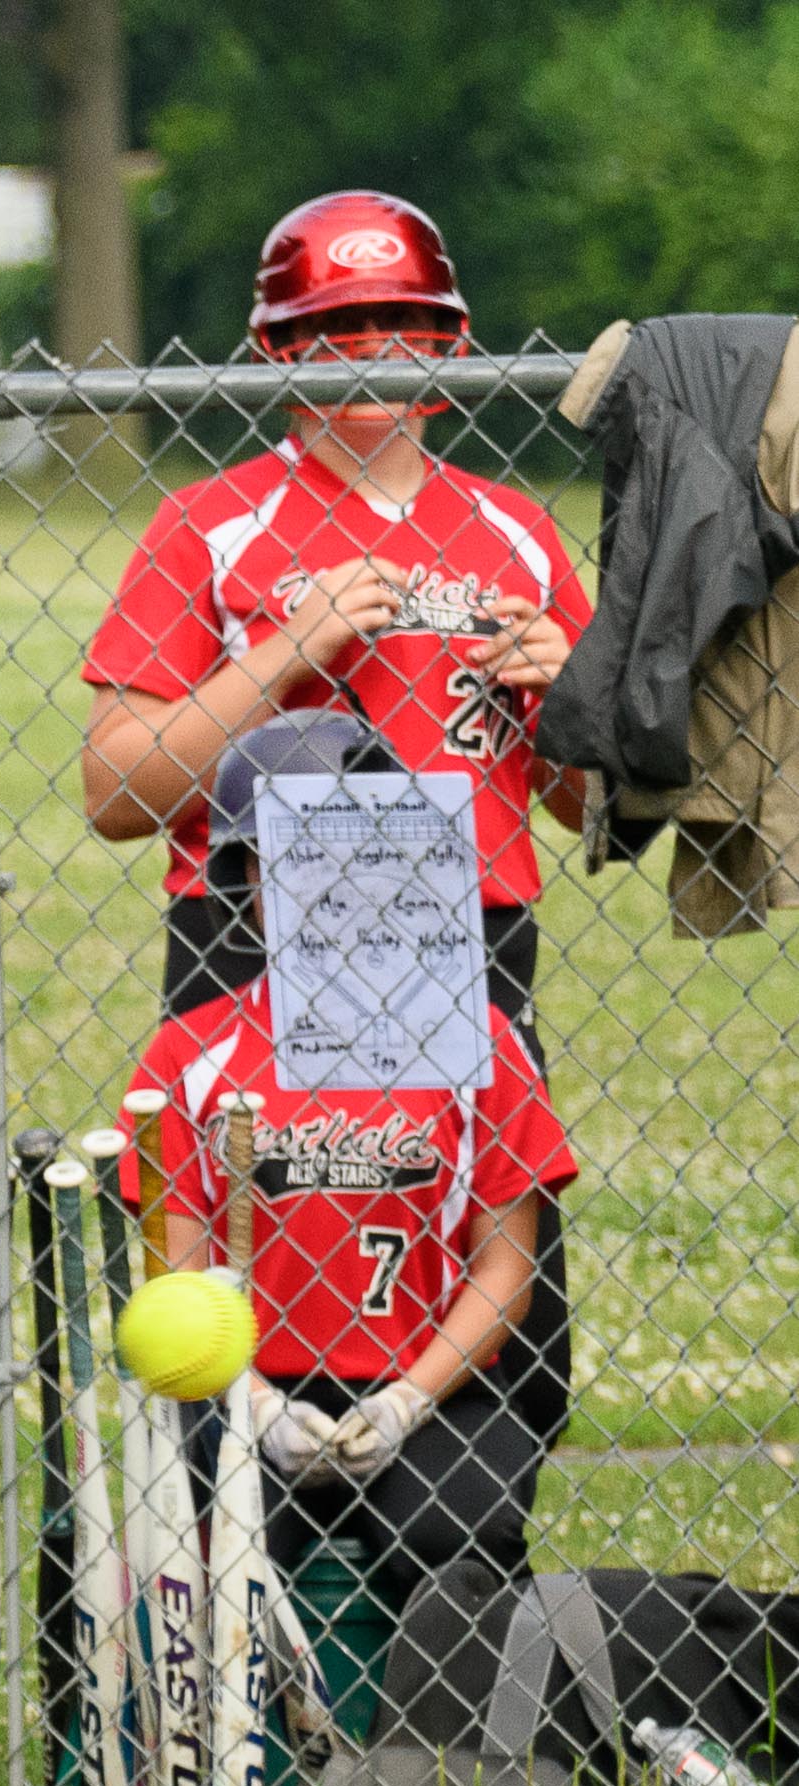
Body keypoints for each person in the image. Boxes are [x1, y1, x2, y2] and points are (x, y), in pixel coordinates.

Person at [80, 187, 590, 1452]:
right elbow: (117, 790)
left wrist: (564, 705)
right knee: (247, 1247)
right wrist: (286, 653)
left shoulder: (517, 535)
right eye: (335, 330)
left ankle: (454, 1570)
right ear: (278, 350)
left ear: (450, 342)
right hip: (250, 930)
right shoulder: (211, 524)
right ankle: (235, 1526)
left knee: (465, 1247)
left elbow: (588, 809)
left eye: (401, 328)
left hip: (465, 927)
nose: (371, 358)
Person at [121, 950, 579, 1738]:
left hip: (435, 1391)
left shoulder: (480, 1041)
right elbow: (179, 1285)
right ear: (258, 887)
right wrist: (256, 1408)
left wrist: (406, 1402)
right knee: (211, 1529)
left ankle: (449, 1764)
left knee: (460, 1526)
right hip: (243, 1391)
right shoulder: (190, 1051)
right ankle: (226, 1764)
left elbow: (506, 1274)